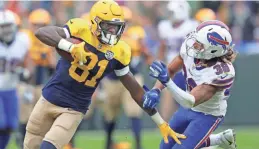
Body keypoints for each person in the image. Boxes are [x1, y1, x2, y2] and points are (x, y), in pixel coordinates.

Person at [23, 1, 185, 149]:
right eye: (109, 26)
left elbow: (135, 90)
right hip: (48, 99)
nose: (113, 32)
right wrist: (71, 48)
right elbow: (42, 32)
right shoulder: (81, 29)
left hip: (73, 109)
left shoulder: (119, 51)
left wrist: (161, 122)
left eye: (117, 27)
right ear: (95, 23)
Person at [143, 20, 237, 149]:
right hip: (187, 109)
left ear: (213, 50)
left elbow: (190, 101)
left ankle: (218, 140)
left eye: (199, 44)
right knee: (165, 147)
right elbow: (170, 70)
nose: (193, 44)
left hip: (207, 114)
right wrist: (156, 90)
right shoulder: (191, 51)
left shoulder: (222, 72)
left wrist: (167, 82)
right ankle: (221, 139)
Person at [101, 6, 152, 149]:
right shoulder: (109, 35)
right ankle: (108, 143)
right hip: (112, 79)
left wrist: (144, 50)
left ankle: (138, 145)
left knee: (135, 112)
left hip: (132, 77)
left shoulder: (137, 34)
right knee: (110, 115)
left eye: (126, 22)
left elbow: (146, 54)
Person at [157, 0, 198, 121]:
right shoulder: (164, 26)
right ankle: (166, 127)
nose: (170, 15)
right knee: (167, 103)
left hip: (188, 69)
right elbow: (162, 47)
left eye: (172, 12)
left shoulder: (192, 26)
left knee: (189, 102)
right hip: (171, 68)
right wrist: (159, 62)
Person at [0, 9, 30, 149]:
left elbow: (28, 62)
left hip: (11, 89)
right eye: (2, 26)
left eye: (8, 26)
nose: (6, 30)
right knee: (0, 123)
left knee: (10, 125)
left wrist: (25, 71)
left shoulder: (22, 40)